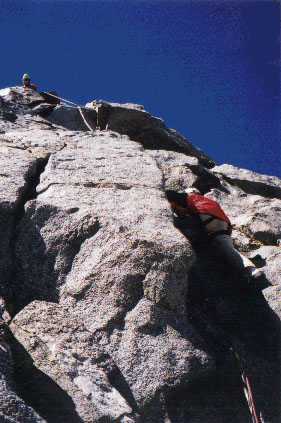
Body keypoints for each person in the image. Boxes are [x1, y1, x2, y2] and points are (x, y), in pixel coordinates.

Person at [166, 187, 265, 283]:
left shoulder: (189, 197)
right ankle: (252, 270)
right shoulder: (208, 200)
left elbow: (171, 195)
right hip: (223, 226)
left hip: (203, 219)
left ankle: (249, 271)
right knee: (227, 248)